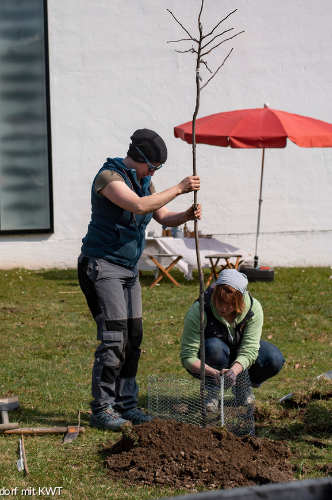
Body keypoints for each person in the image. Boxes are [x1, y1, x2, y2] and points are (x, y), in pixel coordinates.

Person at [79, 129, 202, 430]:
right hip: (102, 266)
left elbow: (162, 215)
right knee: (114, 338)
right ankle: (102, 409)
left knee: (133, 338)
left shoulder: (145, 182)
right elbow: (137, 206)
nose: (154, 173)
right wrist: (179, 187)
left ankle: (126, 405)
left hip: (128, 271)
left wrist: (186, 214)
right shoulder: (109, 178)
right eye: (154, 167)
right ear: (141, 160)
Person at [179, 269, 284, 408]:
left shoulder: (253, 309)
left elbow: (250, 349)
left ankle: (241, 386)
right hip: (212, 357)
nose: (222, 308)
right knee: (214, 347)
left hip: (238, 353)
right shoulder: (199, 310)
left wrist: (234, 371)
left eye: (229, 304)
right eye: (219, 301)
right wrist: (214, 373)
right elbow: (187, 356)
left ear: (240, 300)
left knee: (274, 358)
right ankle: (212, 391)